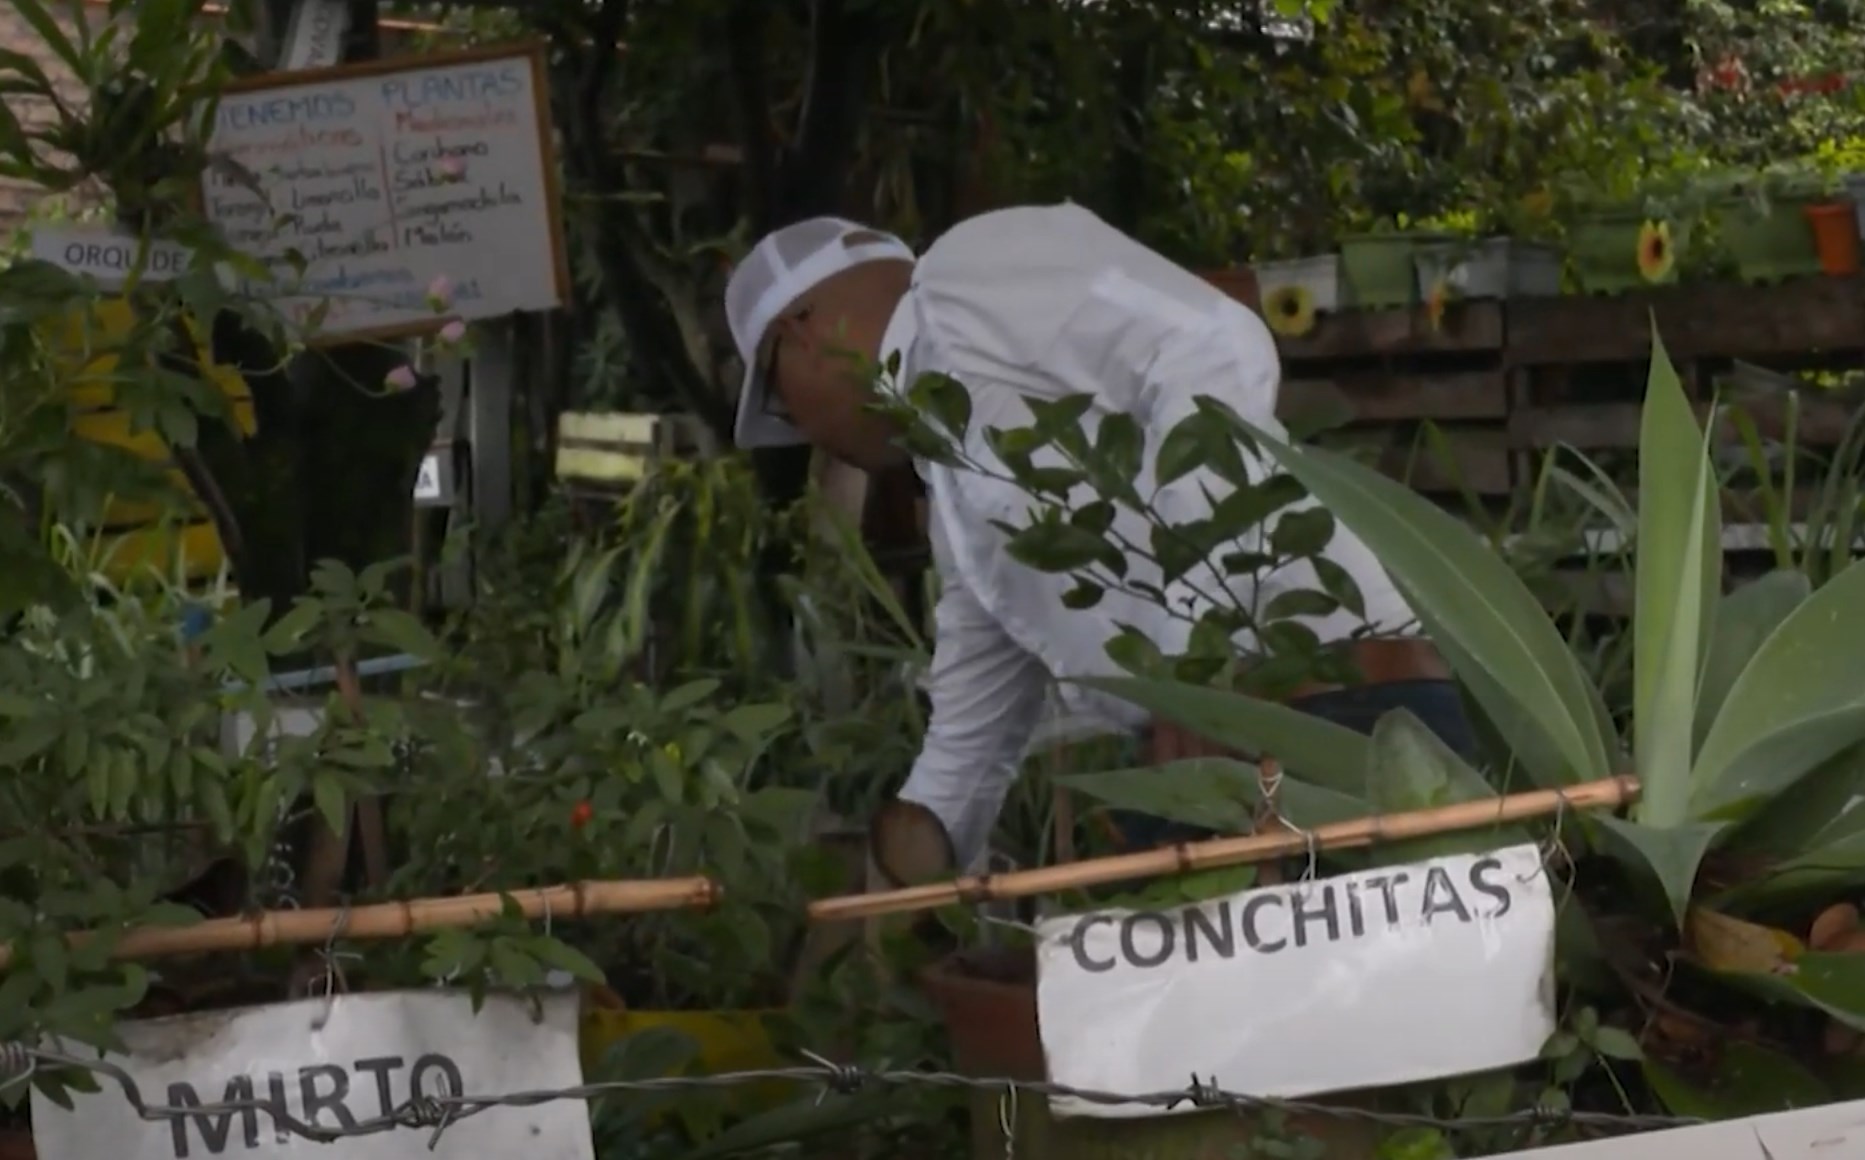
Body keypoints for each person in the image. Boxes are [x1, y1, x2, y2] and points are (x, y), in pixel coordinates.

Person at [722, 203, 1475, 885]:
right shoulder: (958, 482)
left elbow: (1213, 342)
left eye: (783, 409)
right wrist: (906, 869)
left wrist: (1192, 654)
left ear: (800, 332)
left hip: (1347, 725)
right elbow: (968, 742)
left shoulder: (961, 278)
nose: (807, 433)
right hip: (1205, 771)